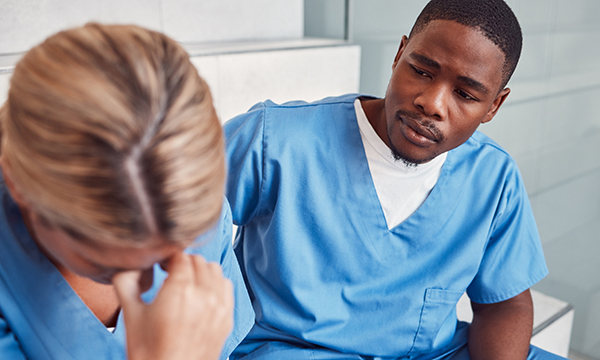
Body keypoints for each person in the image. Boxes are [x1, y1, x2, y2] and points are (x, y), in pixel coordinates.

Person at [224, 0, 568, 359]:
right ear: (400, 53)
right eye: (421, 71)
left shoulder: (493, 177)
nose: (432, 103)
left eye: (465, 94)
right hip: (289, 348)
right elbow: (174, 225)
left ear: (494, 106)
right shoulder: (277, 140)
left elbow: (503, 304)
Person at [0, 23, 254, 360]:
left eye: (168, 256)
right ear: (18, 186)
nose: (149, 283)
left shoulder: (198, 216)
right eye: (107, 267)